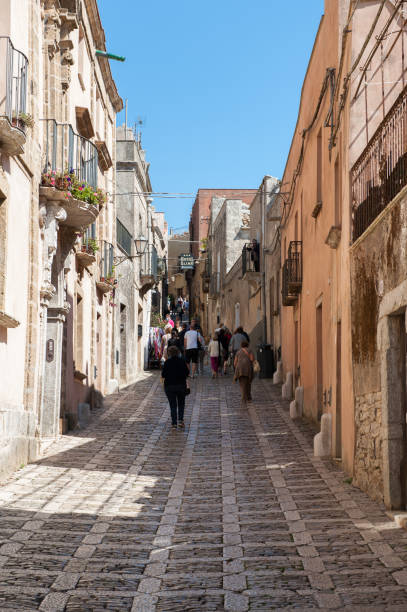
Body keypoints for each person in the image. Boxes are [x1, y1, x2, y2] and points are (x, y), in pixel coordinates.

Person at [161, 345, 190, 429]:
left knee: (172, 405)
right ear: (178, 353)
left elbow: (163, 375)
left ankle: (174, 423)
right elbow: (187, 373)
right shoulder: (182, 361)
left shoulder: (167, 362)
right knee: (181, 404)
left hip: (169, 386)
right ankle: (180, 421)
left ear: (169, 353)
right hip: (181, 385)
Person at [234, 340, 254, 406]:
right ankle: (248, 397)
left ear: (241, 345)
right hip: (248, 368)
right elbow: (251, 359)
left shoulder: (238, 352)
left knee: (242, 384)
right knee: (248, 383)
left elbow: (235, 363)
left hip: (240, 369)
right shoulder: (250, 350)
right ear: (247, 345)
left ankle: (243, 397)